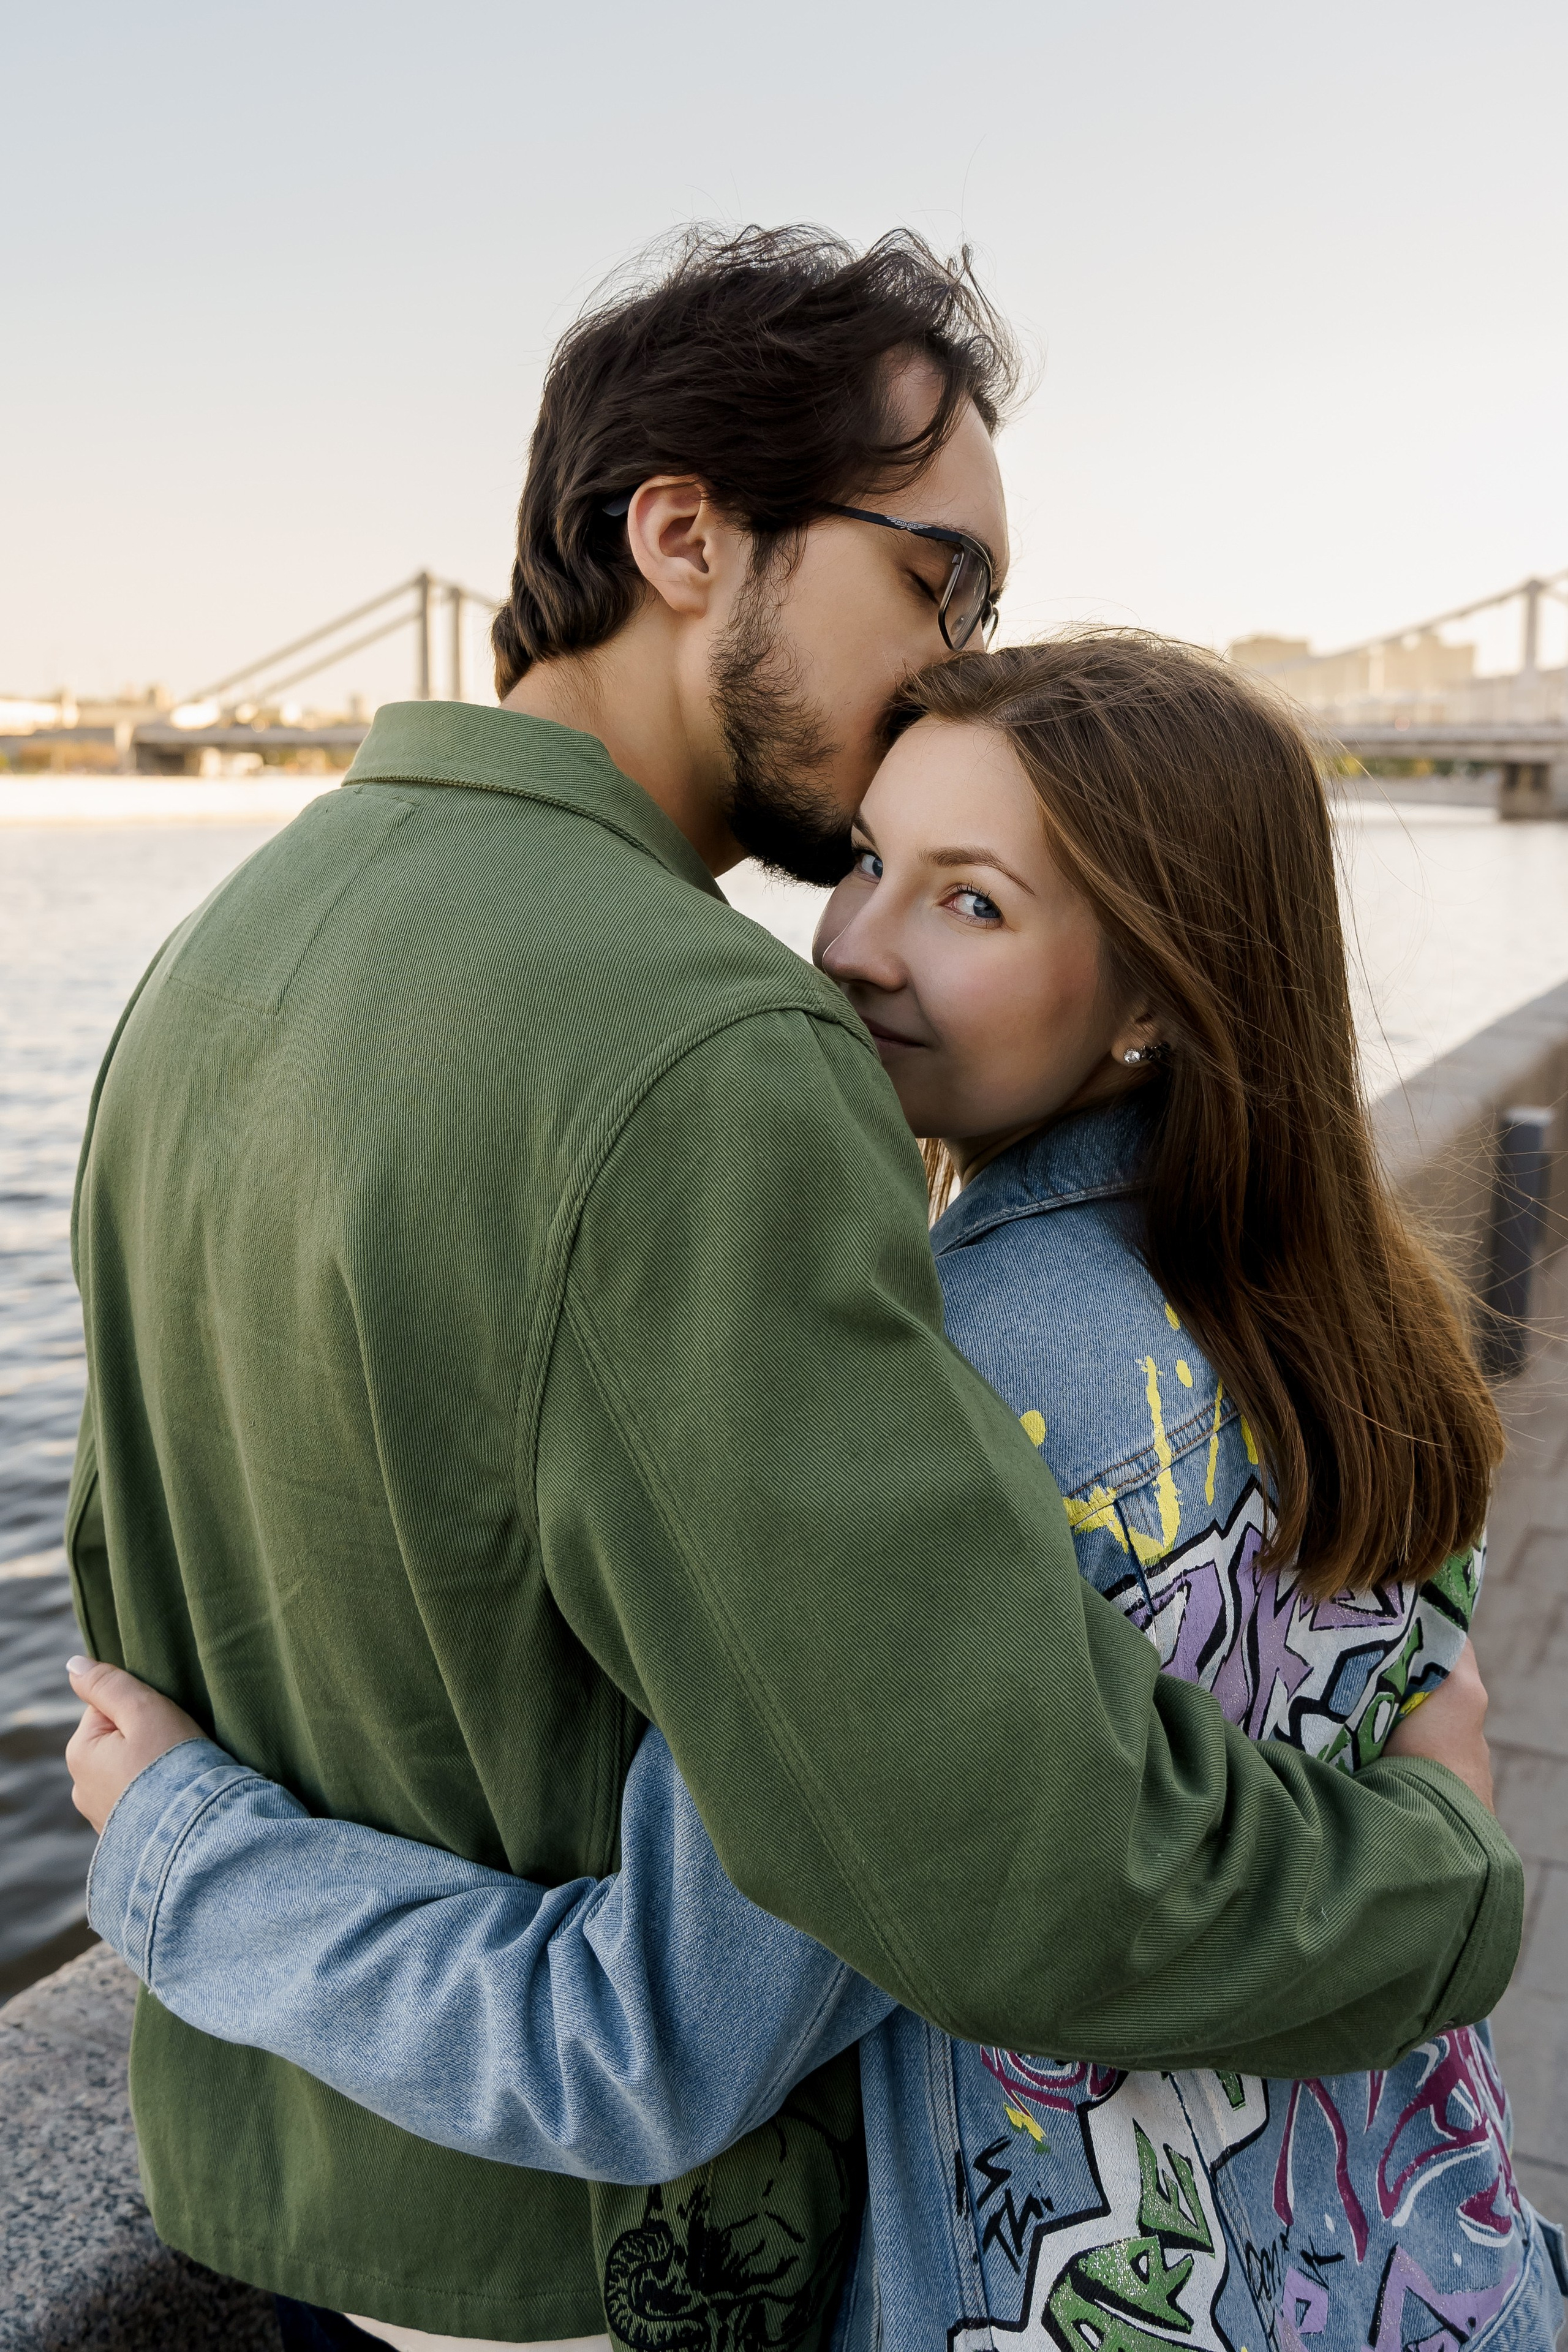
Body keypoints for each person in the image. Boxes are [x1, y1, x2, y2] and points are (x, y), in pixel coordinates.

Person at [63, 226, 1525, 2352]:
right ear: (684, 536)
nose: (957, 654)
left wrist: (186, 1848)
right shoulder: (703, 1050)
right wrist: (1441, 1881)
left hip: (298, 2193)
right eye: (940, 578)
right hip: (597, 2261)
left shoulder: (214, 960)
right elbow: (1001, 1867)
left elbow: (138, 1577)